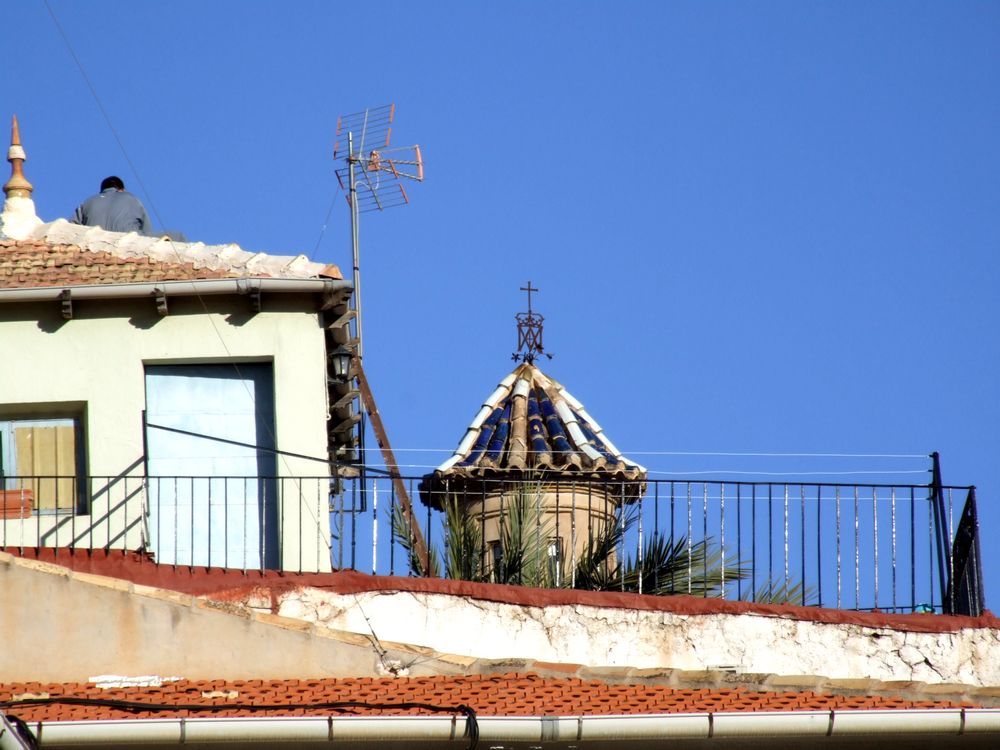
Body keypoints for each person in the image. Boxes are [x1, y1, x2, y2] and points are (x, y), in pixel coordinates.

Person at [71, 176, 152, 235]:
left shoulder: (87, 202)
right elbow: (148, 233)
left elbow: (70, 229)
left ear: (102, 191)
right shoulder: (133, 199)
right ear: (122, 190)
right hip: (129, 250)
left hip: (94, 250)